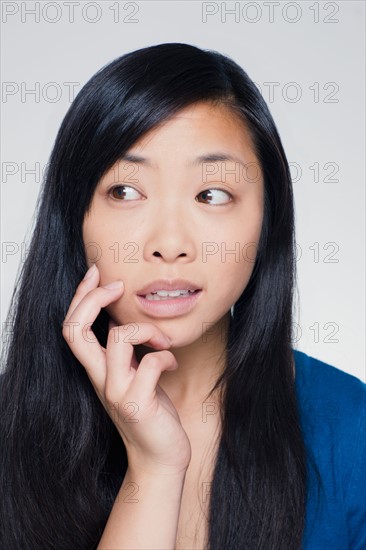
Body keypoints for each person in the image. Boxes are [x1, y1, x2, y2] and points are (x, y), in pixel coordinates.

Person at [0, 42, 364, 550]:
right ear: (73, 218)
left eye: (211, 194)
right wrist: (152, 472)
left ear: (266, 220)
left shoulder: (351, 431)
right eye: (125, 191)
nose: (169, 244)